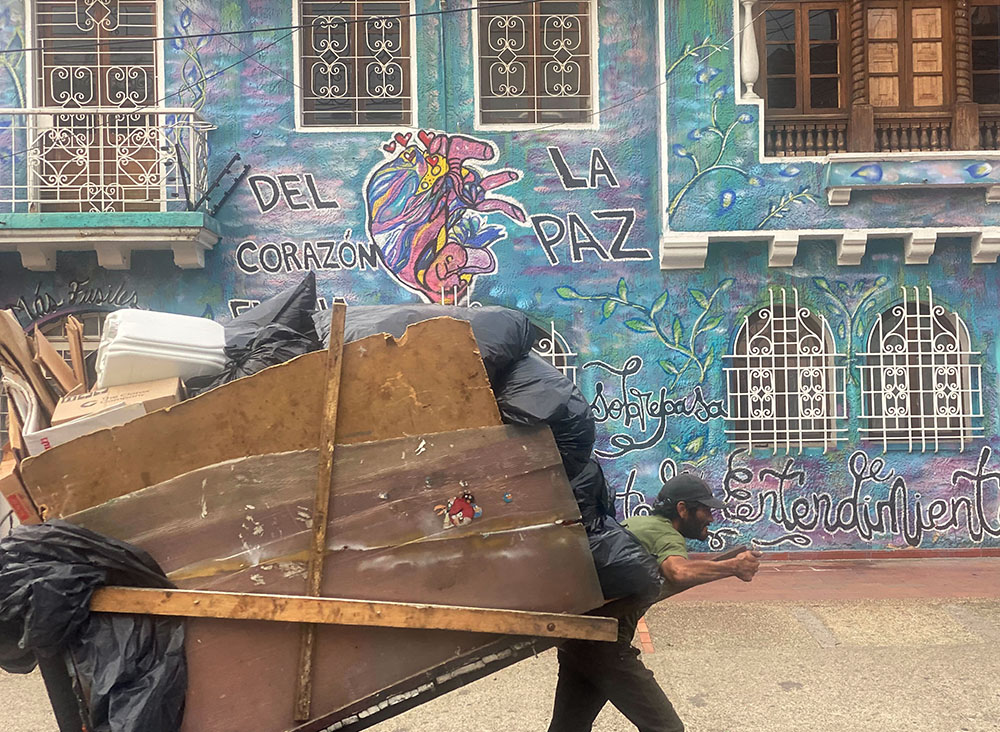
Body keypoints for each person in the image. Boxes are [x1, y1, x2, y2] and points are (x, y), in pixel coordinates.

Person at [546, 473, 762, 732]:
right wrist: (733, 567)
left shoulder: (637, 522)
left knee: (569, 727)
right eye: (705, 510)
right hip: (605, 643)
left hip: (578, 638)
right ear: (682, 509)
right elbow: (678, 572)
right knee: (666, 729)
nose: (712, 518)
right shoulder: (666, 535)